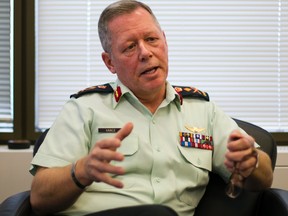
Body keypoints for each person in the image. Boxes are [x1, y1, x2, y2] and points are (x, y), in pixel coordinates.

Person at [30, 1, 273, 215]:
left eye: (151, 39)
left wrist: (251, 162)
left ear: (164, 41)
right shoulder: (84, 109)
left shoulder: (202, 110)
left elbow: (263, 179)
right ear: (109, 62)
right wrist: (83, 170)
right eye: (130, 47)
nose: (146, 53)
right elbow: (39, 198)